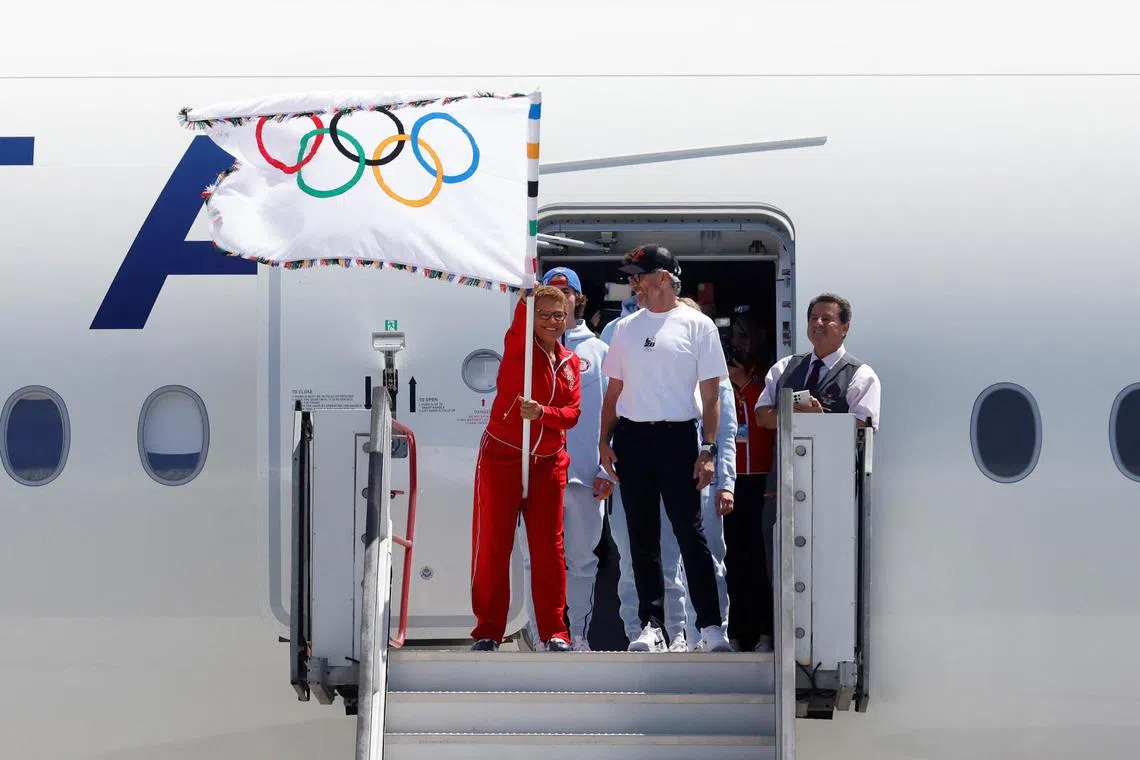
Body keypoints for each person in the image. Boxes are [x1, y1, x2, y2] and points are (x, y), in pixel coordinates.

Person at [599, 244, 733, 653]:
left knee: (691, 535)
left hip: (679, 438)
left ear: (662, 278)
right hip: (632, 439)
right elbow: (614, 390)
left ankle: (710, 628)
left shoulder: (698, 325)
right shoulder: (624, 329)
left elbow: (712, 394)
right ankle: (651, 626)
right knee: (642, 537)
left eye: (639, 276)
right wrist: (603, 441)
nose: (633, 284)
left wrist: (708, 448)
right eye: (632, 277)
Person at [470, 285, 581, 652]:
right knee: (494, 545)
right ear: (532, 317)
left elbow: (572, 414)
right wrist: (525, 295)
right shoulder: (520, 346)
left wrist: (542, 414)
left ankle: (555, 632)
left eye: (559, 315)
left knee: (550, 549)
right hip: (503, 455)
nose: (552, 321)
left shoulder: (570, 363)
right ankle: (488, 630)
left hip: (548, 463)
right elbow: (521, 316)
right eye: (545, 314)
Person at [754, 293, 881, 590]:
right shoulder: (785, 367)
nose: (818, 324)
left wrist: (820, 418)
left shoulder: (861, 375)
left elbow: (863, 429)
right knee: (780, 565)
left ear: (845, 327)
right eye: (813, 319)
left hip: (830, 490)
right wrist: (793, 413)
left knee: (827, 566)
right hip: (783, 486)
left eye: (828, 319)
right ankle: (778, 635)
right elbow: (762, 416)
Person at [522, 267, 613, 652]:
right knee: (536, 562)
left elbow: (616, 415)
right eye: (551, 293)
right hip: (538, 474)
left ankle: (576, 634)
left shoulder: (601, 352)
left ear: (578, 299)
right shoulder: (527, 352)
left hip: (585, 475)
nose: (560, 300)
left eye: (566, 293)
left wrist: (609, 468)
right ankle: (543, 635)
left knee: (581, 561)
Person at [659, 297, 737, 653]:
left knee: (709, 559)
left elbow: (727, 434)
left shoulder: (716, 376)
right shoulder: (663, 372)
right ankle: (676, 634)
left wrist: (727, 484)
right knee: (670, 560)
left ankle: (709, 632)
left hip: (708, 482)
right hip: (670, 478)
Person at [723, 309, 777, 652]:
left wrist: (744, 382)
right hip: (730, 479)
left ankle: (765, 632)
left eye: (744, 336)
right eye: (735, 336)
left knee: (759, 560)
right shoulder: (722, 371)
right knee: (733, 559)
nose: (739, 343)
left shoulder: (767, 373)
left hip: (760, 478)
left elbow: (767, 417)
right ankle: (737, 631)